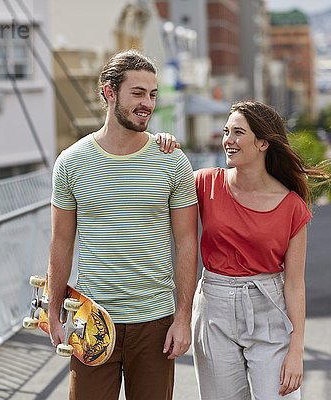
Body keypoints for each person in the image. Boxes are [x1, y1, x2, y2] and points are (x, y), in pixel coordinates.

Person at [47, 49, 198, 400]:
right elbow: (60, 242)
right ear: (109, 92)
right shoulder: (70, 163)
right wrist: (52, 310)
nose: (148, 103)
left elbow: (187, 242)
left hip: (156, 321)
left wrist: (183, 317)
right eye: (138, 93)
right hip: (91, 318)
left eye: (152, 94)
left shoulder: (172, 162)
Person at [191, 101, 331, 399]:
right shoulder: (204, 183)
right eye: (227, 131)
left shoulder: (292, 206)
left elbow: (294, 284)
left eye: (238, 133)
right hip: (214, 308)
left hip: (269, 308)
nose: (228, 140)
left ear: (263, 142)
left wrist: (296, 351)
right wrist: (163, 146)